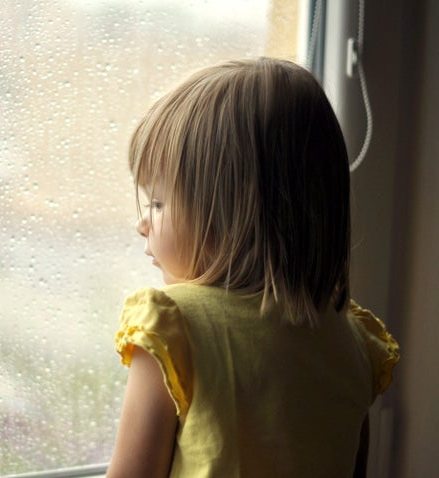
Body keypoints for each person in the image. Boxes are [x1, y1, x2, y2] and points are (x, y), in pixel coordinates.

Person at [107, 58, 400, 478]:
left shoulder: (174, 329)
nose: (142, 224)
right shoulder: (354, 342)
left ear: (229, 211)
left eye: (157, 203)